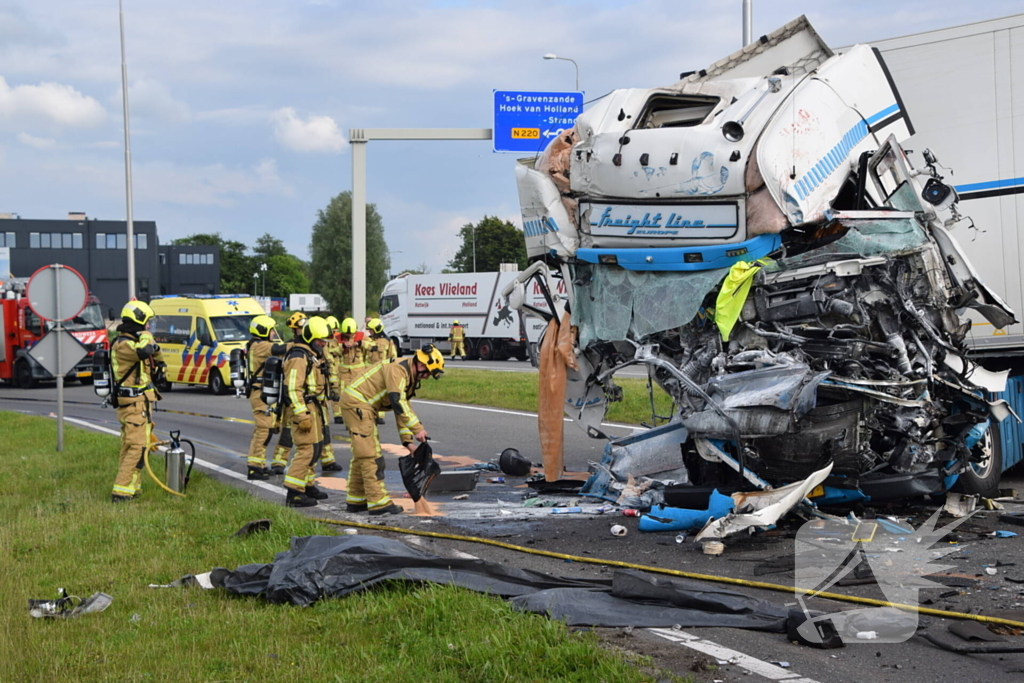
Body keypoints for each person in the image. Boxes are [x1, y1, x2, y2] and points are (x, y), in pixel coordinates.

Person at [341, 343, 444, 515]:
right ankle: (378, 503)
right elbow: (397, 402)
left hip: (361, 405)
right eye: (427, 373)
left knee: (362, 455)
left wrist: (408, 442)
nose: (426, 377)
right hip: (357, 405)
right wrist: (417, 428)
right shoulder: (398, 371)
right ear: (420, 365)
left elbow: (402, 409)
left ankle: (356, 500)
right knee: (370, 455)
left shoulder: (408, 375)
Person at [110, 300, 166, 502]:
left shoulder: (134, 342)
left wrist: (158, 357)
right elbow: (144, 351)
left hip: (139, 403)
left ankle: (133, 486)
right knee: (137, 447)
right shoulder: (124, 344)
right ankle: (121, 490)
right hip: (133, 404)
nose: (149, 327)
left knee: (133, 446)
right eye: (147, 322)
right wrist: (148, 337)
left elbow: (154, 352)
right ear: (138, 321)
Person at [281, 316, 332, 507]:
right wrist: (302, 414)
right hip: (304, 408)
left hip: (315, 407)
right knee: (306, 449)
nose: (323, 344)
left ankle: (307, 485)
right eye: (319, 341)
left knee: (316, 448)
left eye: (324, 341)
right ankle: (294, 493)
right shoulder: (298, 356)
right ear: (310, 338)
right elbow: (293, 388)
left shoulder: (311, 354)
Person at [243, 315, 286, 480]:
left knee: (265, 430)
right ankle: (254, 468)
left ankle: (259, 464)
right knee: (263, 430)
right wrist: (298, 343)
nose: (274, 334)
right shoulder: (259, 346)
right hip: (260, 393)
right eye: (272, 330)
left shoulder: (256, 344)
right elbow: (279, 350)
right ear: (264, 331)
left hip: (263, 391)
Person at [268, 312, 308, 474]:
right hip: (291, 394)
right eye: (301, 328)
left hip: (311, 397)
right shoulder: (292, 347)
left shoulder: (313, 347)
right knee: (287, 431)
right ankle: (279, 462)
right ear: (294, 330)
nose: (303, 330)